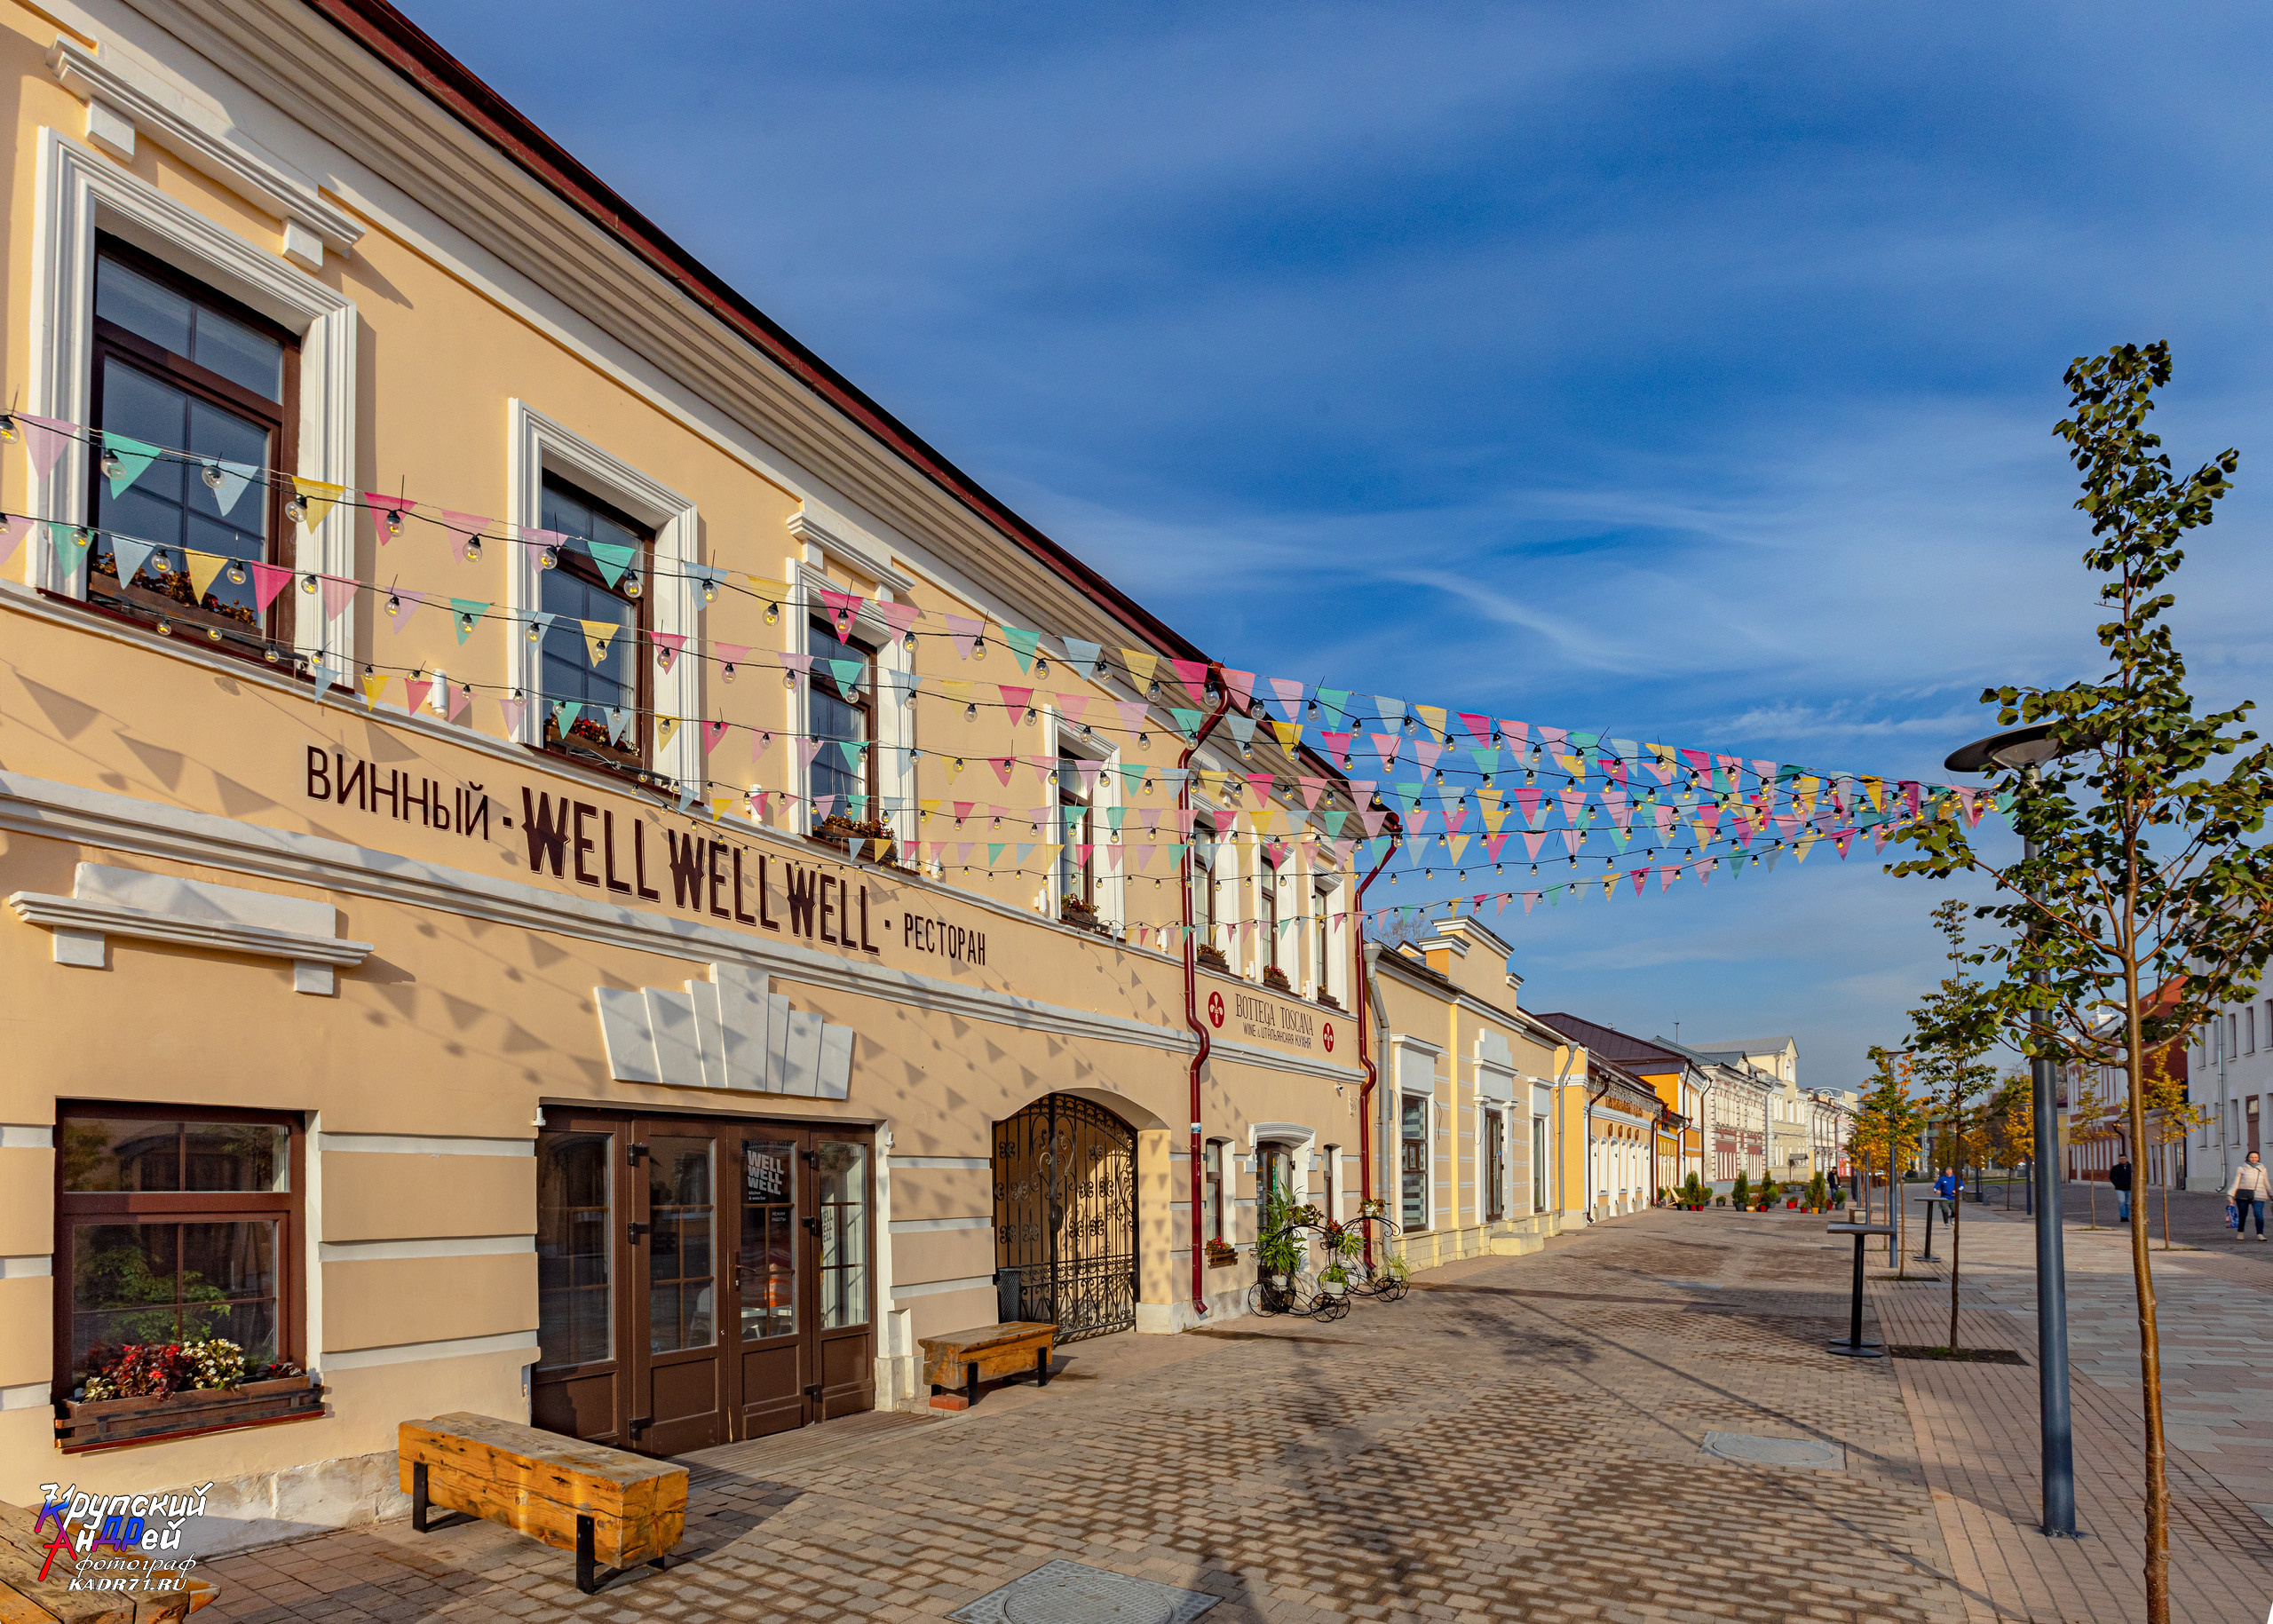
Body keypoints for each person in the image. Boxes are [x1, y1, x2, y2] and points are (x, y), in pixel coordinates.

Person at [2231, 1151, 2271, 1241]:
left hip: (2259, 1194)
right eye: (2252, 1157)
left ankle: (2260, 1234)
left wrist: (2271, 1193)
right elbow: (2236, 1182)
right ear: (2248, 1158)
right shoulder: (2241, 1168)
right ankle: (2240, 1232)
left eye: (2256, 1157)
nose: (2254, 1159)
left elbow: (2266, 1182)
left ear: (2258, 1158)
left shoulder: (2263, 1169)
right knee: (2243, 1214)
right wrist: (2231, 1195)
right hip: (2243, 1195)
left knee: (2258, 1214)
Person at [2110, 1154, 2133, 1224]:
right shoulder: (2115, 1168)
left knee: (2128, 1203)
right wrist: (2116, 1184)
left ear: (2127, 1159)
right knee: (2122, 1201)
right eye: (2121, 1159)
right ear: (2119, 1160)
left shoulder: (2131, 1167)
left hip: (2129, 1188)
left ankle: (2127, 1216)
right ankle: (2123, 1216)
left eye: (2124, 1158)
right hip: (2119, 1188)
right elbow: (2112, 1177)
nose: (2122, 1160)